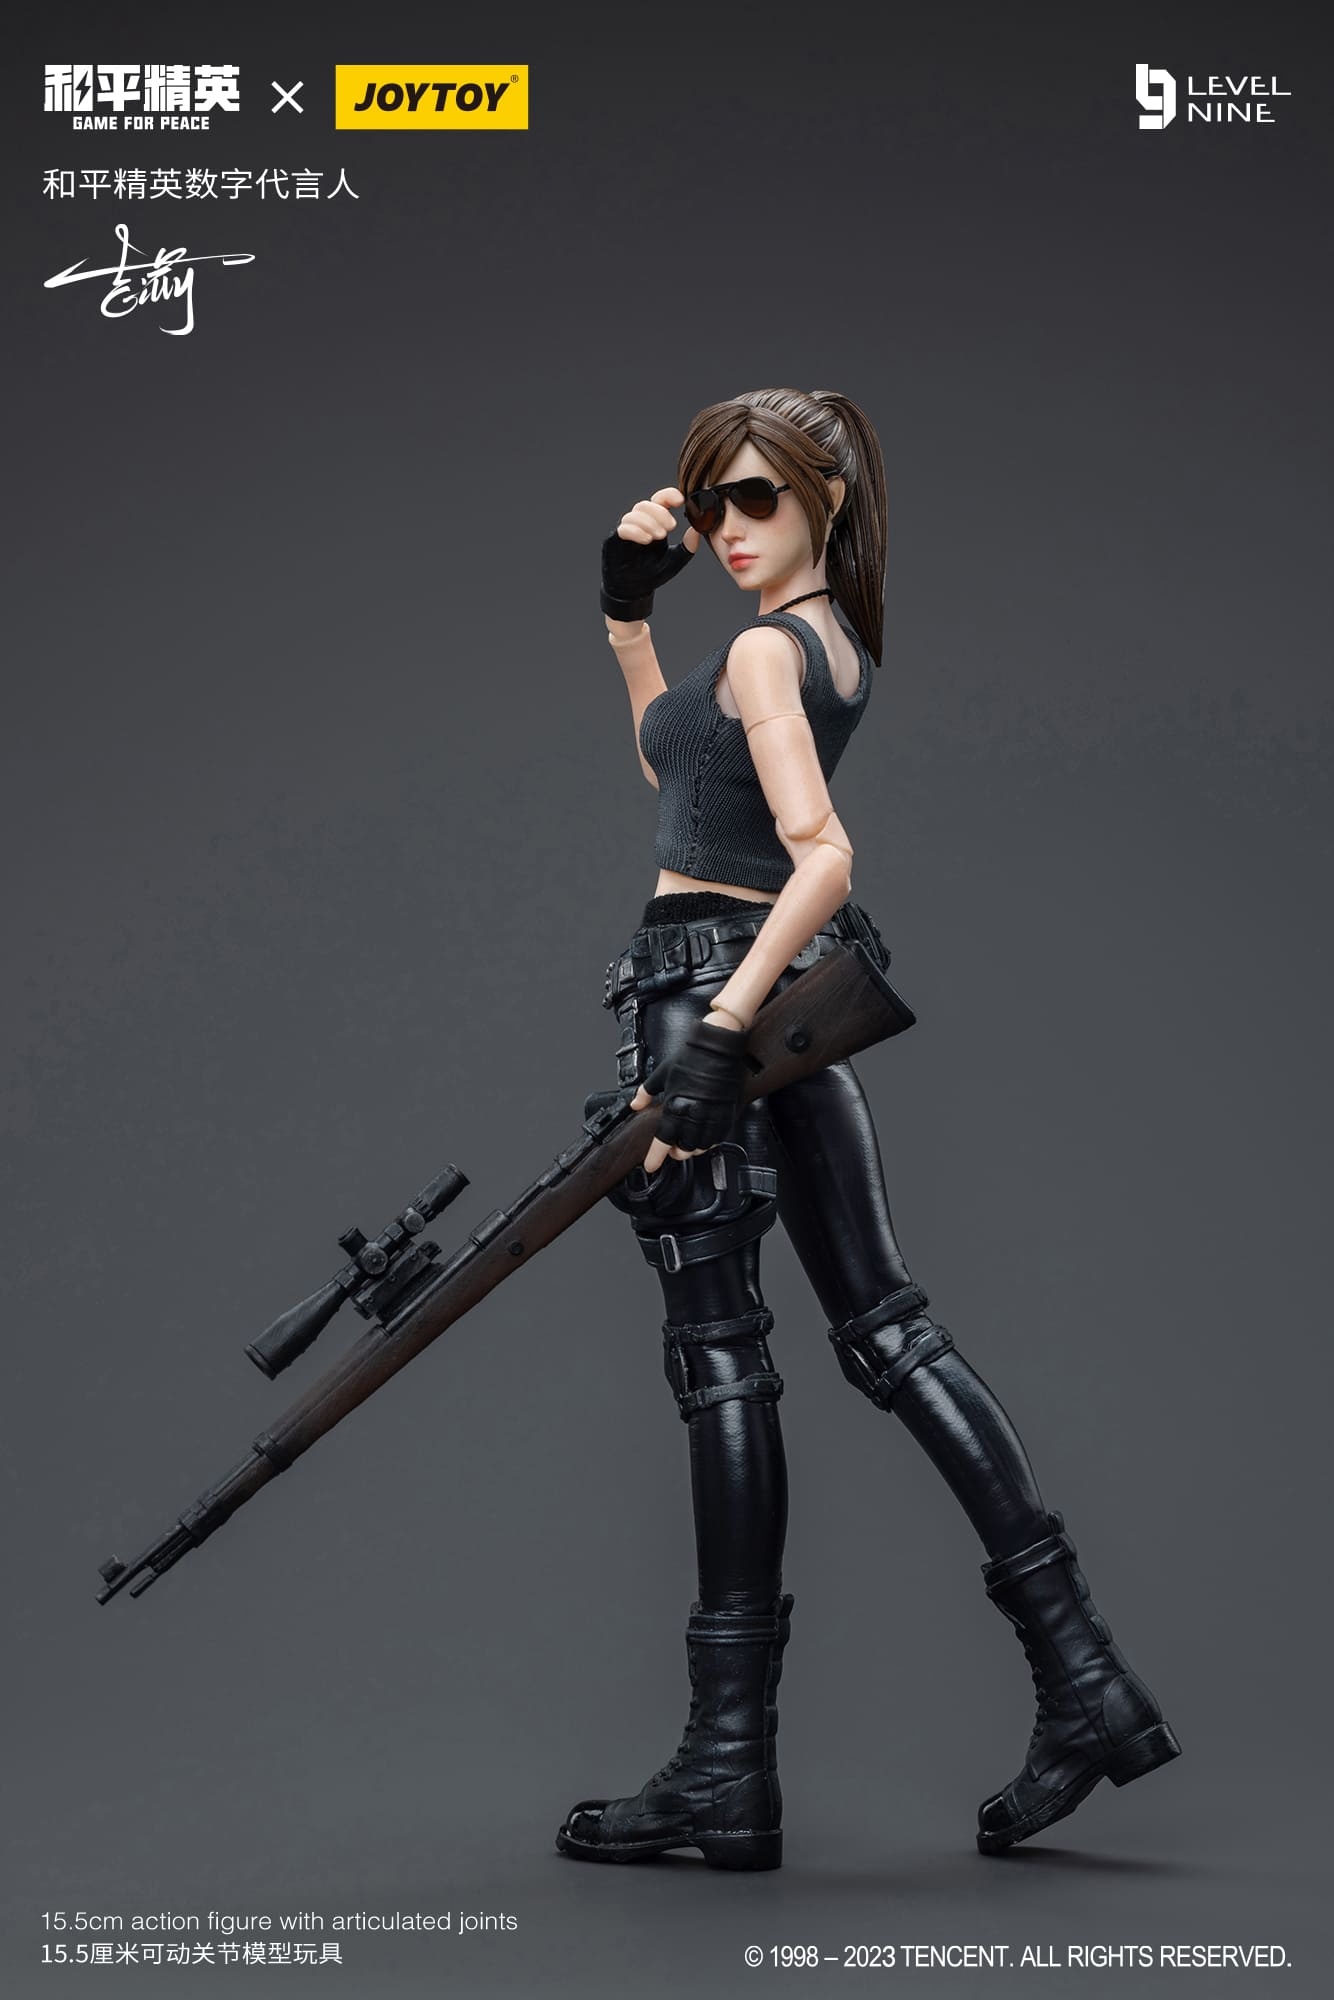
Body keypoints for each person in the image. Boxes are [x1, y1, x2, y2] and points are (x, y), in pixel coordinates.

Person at [555, 388, 1179, 1872]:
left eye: (756, 498)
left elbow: (821, 857)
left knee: (724, 1362)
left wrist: (712, 1041)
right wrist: (626, 619)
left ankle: (727, 1767)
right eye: (711, 502)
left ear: (825, 498)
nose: (727, 529)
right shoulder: (820, 644)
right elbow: (680, 787)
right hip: (777, 995)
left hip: (715, 990)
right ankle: (1086, 1681)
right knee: (889, 1330)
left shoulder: (768, 649)